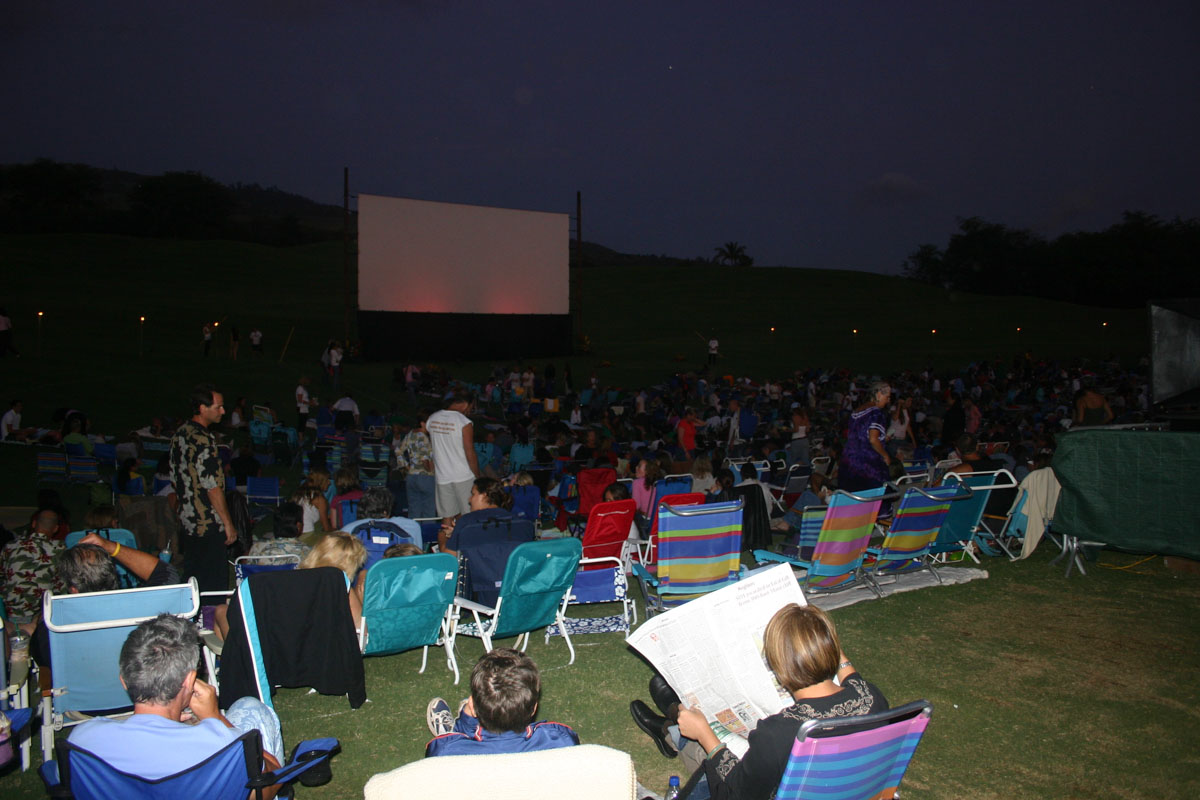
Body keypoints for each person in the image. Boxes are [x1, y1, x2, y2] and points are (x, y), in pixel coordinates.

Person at [630, 603, 887, 800]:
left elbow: (736, 793)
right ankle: (672, 725)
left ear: (779, 669)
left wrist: (705, 735)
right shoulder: (872, 697)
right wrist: (823, 641)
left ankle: (672, 732)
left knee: (706, 748)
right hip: (846, 788)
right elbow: (850, 673)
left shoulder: (778, 733)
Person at [68, 614, 285, 796]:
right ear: (190, 681)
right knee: (251, 707)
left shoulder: (82, 740)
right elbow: (271, 780)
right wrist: (216, 719)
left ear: (124, 681)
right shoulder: (222, 746)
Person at [424, 648, 578, 757]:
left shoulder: (443, 749)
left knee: (459, 741)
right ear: (534, 709)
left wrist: (467, 715)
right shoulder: (561, 739)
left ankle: (455, 730)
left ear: (473, 707)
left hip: (465, 752)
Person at [169, 384, 237, 594]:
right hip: (208, 521)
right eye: (218, 407)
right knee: (213, 582)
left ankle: (190, 612)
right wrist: (228, 523)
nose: (223, 412)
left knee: (193, 576)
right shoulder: (203, 439)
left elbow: (175, 479)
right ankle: (210, 614)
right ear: (202, 408)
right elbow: (212, 486)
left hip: (188, 520)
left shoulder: (180, 434)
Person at [1, 509, 65, 632]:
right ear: (56, 529)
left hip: (11, 612)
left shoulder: (10, 546)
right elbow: (61, 587)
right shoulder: (59, 549)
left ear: (34, 524)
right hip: (42, 615)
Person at [427, 392, 480, 521]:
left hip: (442, 476)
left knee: (447, 518)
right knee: (469, 516)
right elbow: (470, 452)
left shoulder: (432, 418)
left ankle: (446, 536)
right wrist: (477, 476)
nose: (470, 411)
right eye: (471, 407)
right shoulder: (463, 422)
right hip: (464, 476)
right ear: (465, 404)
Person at [437, 477, 513, 557]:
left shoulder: (467, 521)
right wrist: (458, 533)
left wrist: (442, 535)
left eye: (473, 494)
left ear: (484, 496)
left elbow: (448, 556)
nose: (469, 500)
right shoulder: (517, 520)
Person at [837, 381, 892, 494]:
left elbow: (859, 435)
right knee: (876, 497)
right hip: (867, 464)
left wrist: (882, 439)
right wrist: (885, 455)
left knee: (852, 497)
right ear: (878, 394)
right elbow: (873, 439)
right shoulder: (876, 413)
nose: (888, 401)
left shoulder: (857, 411)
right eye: (887, 397)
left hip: (849, 461)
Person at [395, 410, 436, 519]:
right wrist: (430, 469)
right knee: (429, 512)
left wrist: (406, 467)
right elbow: (424, 458)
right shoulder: (424, 437)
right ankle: (428, 531)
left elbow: (398, 451)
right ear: (423, 423)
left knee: (414, 512)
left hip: (411, 477)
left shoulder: (410, 434)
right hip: (426, 477)